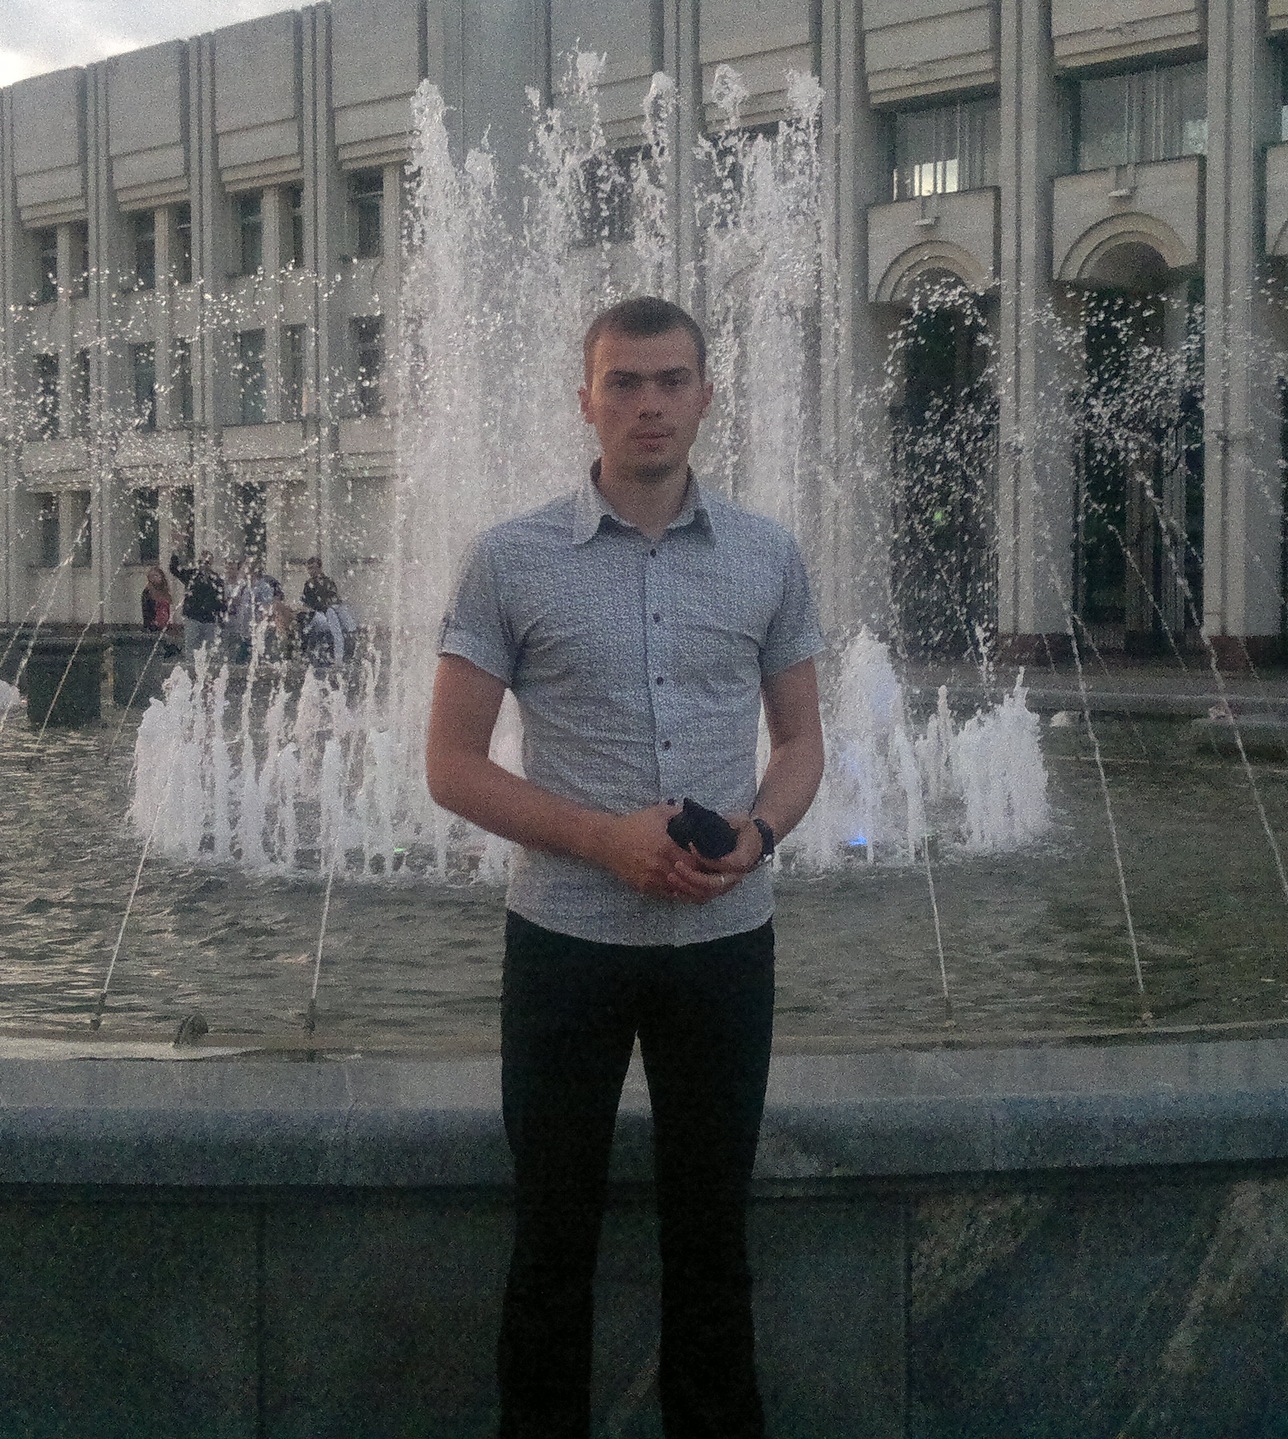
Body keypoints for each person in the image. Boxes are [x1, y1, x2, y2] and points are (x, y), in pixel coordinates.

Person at [426, 295, 825, 1438]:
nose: (649, 403)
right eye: (625, 381)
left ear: (705, 394)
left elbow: (801, 742)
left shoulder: (766, 553)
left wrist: (756, 835)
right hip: (566, 942)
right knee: (552, 1239)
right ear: (586, 399)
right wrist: (603, 838)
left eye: (670, 380)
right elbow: (451, 765)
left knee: (714, 1237)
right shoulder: (510, 558)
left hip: (722, 945)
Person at [167, 551, 226, 662]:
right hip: (192, 617)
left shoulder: (216, 579)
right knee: (191, 649)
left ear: (211, 563)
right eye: (200, 562)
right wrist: (175, 551)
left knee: (209, 651)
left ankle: (207, 669)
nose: (203, 565)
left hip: (209, 620)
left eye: (206, 563)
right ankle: (190, 668)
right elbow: (174, 570)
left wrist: (221, 619)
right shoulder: (191, 575)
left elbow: (221, 600)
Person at [141, 566, 177, 632]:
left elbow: (170, 608)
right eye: (152, 576)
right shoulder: (148, 592)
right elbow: (146, 611)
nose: (154, 578)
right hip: (153, 626)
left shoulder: (165, 591)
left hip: (166, 626)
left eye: (156, 575)